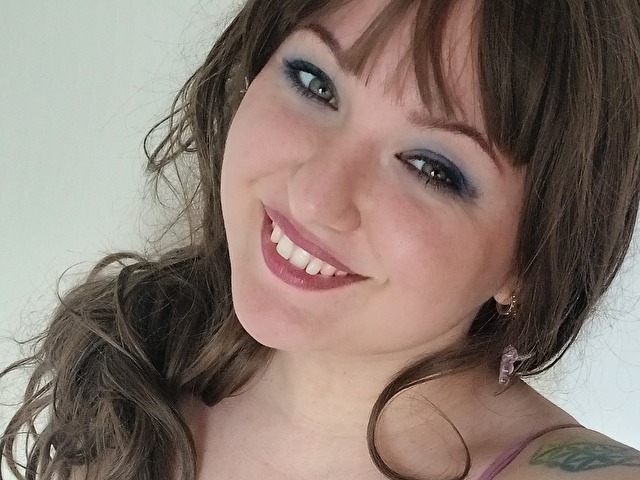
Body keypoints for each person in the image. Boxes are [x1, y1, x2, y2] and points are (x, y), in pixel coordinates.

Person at [2, 0, 640, 479]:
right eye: (315, 82)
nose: (314, 196)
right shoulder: (130, 370)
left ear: (532, 259)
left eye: (430, 168)